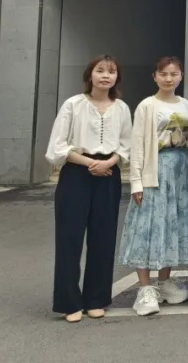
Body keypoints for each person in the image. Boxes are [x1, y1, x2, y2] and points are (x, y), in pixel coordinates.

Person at [47, 55, 132, 323]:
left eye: (111, 72)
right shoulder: (73, 105)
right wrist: (89, 163)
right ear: (89, 75)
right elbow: (57, 146)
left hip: (109, 174)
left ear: (117, 78)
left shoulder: (122, 108)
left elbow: (126, 145)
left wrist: (109, 162)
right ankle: (69, 302)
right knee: (69, 239)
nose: (106, 76)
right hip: (76, 174)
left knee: (103, 239)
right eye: (100, 71)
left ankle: (96, 299)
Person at [118, 56, 188, 317]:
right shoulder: (146, 106)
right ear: (154, 76)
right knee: (148, 226)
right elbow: (137, 145)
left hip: (180, 171)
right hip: (155, 169)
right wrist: (136, 182)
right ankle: (145, 288)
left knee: (172, 224)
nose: (168, 78)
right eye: (163, 74)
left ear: (181, 76)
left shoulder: (186, 104)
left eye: (174, 74)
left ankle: (164, 282)